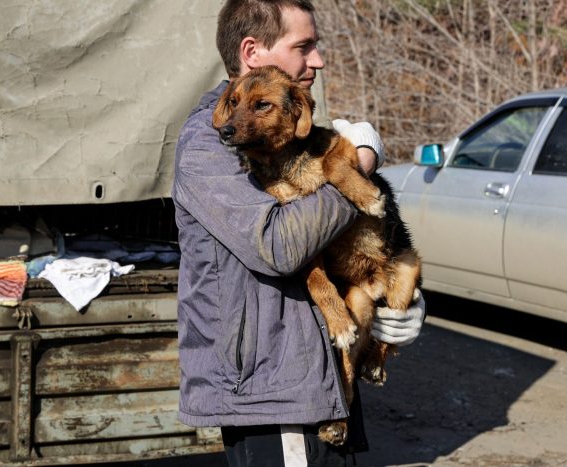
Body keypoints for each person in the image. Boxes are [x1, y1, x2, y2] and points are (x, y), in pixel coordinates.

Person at [172, 1, 426, 465]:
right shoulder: (209, 146)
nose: (318, 61)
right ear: (252, 52)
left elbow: (341, 240)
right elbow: (280, 245)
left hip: (319, 381)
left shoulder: (286, 129)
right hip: (275, 389)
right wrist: (358, 165)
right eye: (303, 47)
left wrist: (390, 300)